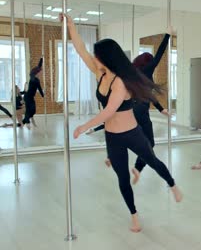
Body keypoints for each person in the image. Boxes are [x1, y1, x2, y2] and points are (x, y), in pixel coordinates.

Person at [61, 13, 182, 233]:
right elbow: (80, 50)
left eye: (97, 56)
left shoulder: (121, 83)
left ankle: (172, 184)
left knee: (153, 161)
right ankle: (134, 216)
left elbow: (109, 111)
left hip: (132, 133)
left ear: (107, 57)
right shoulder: (100, 73)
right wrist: (71, 26)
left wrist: (83, 126)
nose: (94, 59)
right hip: (113, 138)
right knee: (123, 179)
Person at [86, 31, 172, 183]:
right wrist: (167, 36)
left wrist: (160, 109)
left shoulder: (130, 71)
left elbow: (144, 93)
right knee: (149, 143)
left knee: (119, 132)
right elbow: (159, 54)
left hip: (130, 110)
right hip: (141, 111)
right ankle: (137, 168)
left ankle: (112, 157)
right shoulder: (148, 69)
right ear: (148, 62)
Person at [22, 58, 44, 128]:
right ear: (37, 72)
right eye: (41, 72)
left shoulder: (36, 79)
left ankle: (23, 122)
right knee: (29, 110)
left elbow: (39, 66)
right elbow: (39, 89)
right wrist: (43, 95)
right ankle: (27, 123)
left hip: (31, 97)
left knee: (33, 110)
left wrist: (41, 59)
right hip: (27, 97)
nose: (42, 73)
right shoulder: (34, 79)